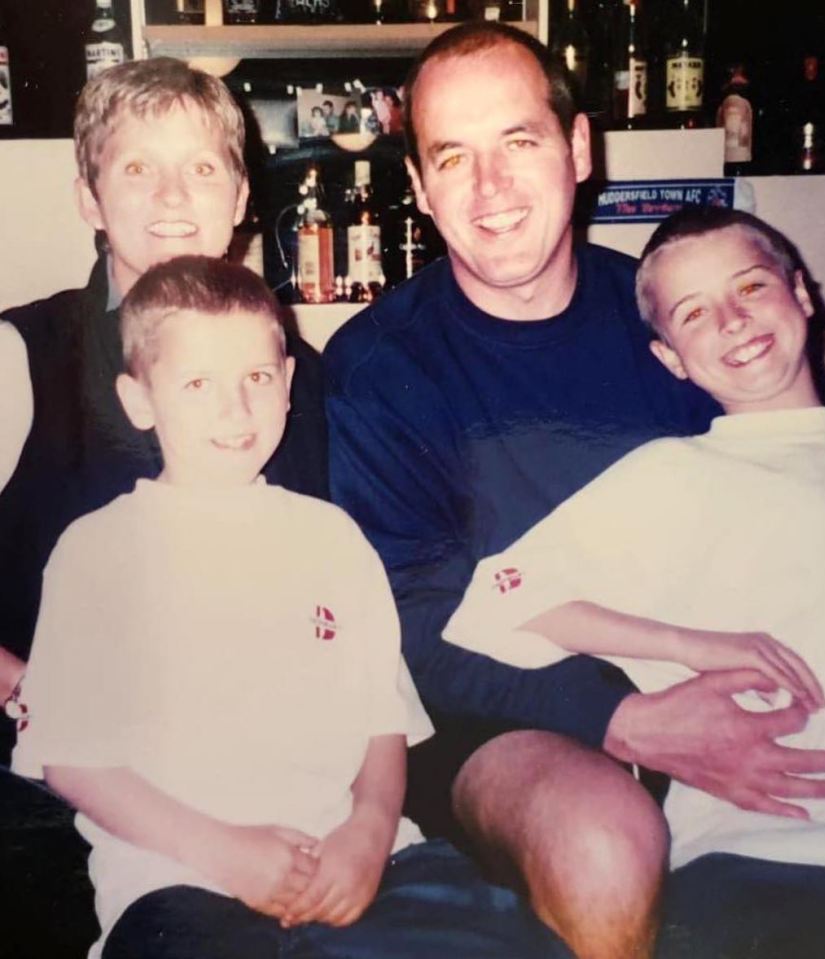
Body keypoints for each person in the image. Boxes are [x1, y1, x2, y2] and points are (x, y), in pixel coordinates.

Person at [323, 22, 825, 959]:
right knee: (603, 844)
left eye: (518, 142)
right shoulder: (376, 368)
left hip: (708, 665)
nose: (489, 190)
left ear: (577, 151)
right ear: (418, 188)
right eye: (453, 157)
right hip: (494, 718)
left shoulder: (676, 314)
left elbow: (815, 493)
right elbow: (410, 620)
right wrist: (621, 718)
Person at [11, 255, 573, 959]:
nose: (235, 409)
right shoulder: (96, 551)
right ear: (139, 399)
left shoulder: (332, 538)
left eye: (255, 378)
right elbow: (71, 759)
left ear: (287, 384)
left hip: (366, 861)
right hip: (179, 880)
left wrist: (369, 834)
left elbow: (382, 721)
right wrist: (227, 853)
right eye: (197, 384)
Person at [444, 206, 825, 958]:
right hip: (755, 860)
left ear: (802, 294)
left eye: (750, 287)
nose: (733, 321)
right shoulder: (671, 475)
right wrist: (695, 644)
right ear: (672, 360)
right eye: (695, 313)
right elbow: (496, 604)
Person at [0, 57, 326, 957]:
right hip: (44, 794)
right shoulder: (22, 355)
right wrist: (26, 687)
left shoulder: (301, 380)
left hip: (255, 776)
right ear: (89, 198)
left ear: (240, 200)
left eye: (203, 167)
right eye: (139, 167)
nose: (175, 195)